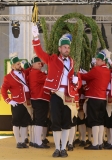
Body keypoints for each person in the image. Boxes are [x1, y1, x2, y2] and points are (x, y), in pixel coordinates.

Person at [32, 25, 81, 157]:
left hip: (68, 95)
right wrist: (36, 37)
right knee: (55, 123)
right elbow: (39, 52)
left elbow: (74, 80)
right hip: (55, 95)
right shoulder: (52, 59)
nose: (67, 49)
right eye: (65, 47)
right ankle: (57, 148)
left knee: (66, 123)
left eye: (68, 47)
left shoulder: (72, 62)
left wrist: (76, 82)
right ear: (60, 48)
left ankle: (63, 148)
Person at [80, 51, 111, 150]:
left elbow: (86, 77)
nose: (96, 61)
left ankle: (95, 144)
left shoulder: (96, 69)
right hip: (102, 99)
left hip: (94, 97)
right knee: (100, 121)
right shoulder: (108, 71)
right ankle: (100, 142)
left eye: (98, 60)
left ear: (103, 61)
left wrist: (78, 73)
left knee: (94, 121)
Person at [1, 54, 31, 149]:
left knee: (24, 123)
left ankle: (22, 141)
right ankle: (18, 141)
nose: (20, 65)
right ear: (13, 66)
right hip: (17, 102)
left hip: (26, 101)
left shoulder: (24, 72)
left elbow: (29, 71)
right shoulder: (8, 77)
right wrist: (9, 101)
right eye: (18, 64)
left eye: (20, 64)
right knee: (16, 123)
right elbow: (3, 90)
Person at [28, 56, 51, 148]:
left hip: (38, 98)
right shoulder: (36, 73)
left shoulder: (33, 72)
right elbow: (47, 79)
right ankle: (38, 142)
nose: (40, 65)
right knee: (40, 121)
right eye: (38, 63)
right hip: (40, 98)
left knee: (38, 120)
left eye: (41, 63)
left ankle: (35, 141)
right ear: (33, 65)